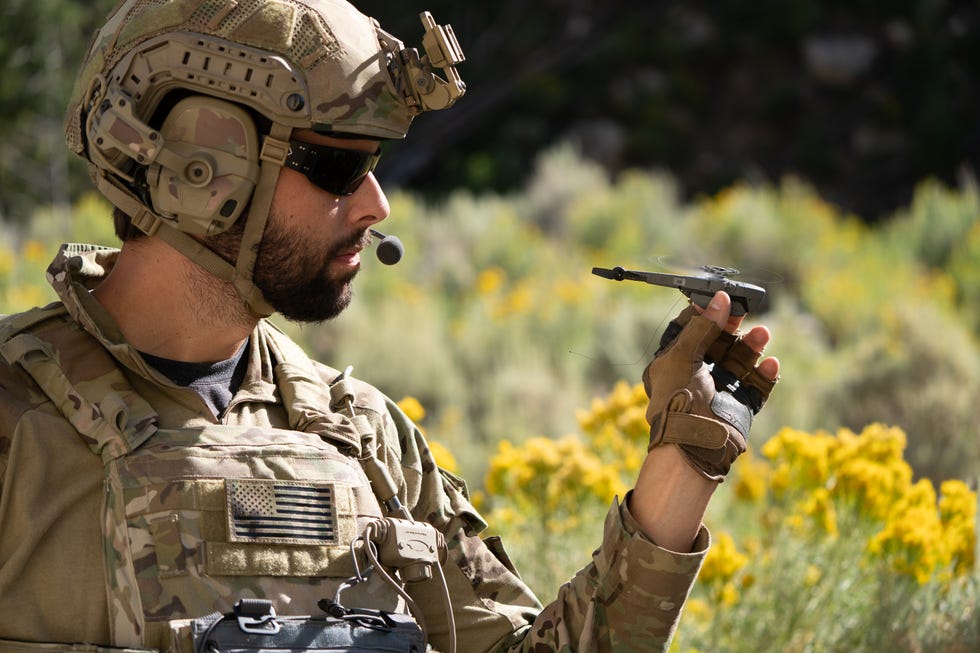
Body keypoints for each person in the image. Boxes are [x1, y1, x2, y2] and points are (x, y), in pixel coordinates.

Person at [0, 1, 779, 652]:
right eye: (338, 168)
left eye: (375, 165)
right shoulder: (16, 420)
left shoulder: (365, 434)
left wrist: (682, 466)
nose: (377, 205)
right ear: (203, 169)